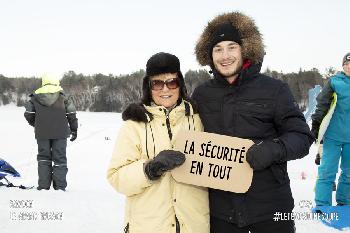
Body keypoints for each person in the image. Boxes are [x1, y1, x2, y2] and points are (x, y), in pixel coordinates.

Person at [192, 12, 314, 233]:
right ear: (210, 55)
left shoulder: (274, 90)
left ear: (245, 49)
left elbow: (302, 137)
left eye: (231, 47)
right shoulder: (201, 94)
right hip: (221, 213)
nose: (224, 55)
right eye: (217, 49)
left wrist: (272, 149)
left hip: (271, 208)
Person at [107, 52, 209, 233]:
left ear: (181, 84)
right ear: (148, 86)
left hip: (195, 226)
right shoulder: (134, 125)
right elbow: (116, 177)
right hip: (149, 226)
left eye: (172, 82)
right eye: (157, 83)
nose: (165, 89)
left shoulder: (199, 119)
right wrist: (149, 169)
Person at [24, 74, 78, 191]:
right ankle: (60, 188)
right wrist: (74, 130)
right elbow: (71, 114)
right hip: (61, 132)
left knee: (43, 158)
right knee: (60, 159)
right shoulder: (64, 96)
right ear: (56, 82)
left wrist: (37, 124)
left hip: (42, 133)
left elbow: (28, 114)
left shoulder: (34, 97)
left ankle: (43, 187)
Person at [312, 52, 350, 206]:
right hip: (333, 136)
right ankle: (322, 205)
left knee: (348, 174)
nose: (348, 66)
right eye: (346, 64)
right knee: (327, 171)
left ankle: (345, 202)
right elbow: (322, 104)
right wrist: (315, 124)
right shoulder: (334, 82)